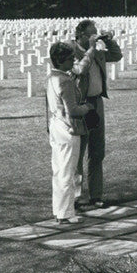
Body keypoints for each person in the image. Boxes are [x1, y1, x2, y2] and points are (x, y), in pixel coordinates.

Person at [70, 19, 123, 209]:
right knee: (78, 151)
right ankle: (75, 197)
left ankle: (96, 194)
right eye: (92, 33)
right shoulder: (71, 51)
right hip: (80, 105)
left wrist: (108, 40)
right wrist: (91, 48)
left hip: (96, 103)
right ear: (82, 35)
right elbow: (79, 70)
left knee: (97, 150)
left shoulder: (99, 52)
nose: (96, 36)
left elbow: (117, 56)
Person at [46, 42, 95, 224]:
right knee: (67, 171)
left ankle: (59, 211)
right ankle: (66, 214)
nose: (73, 62)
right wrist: (87, 108)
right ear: (62, 61)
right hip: (68, 128)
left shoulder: (51, 77)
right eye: (70, 59)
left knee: (58, 171)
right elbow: (73, 110)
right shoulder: (65, 81)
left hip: (56, 126)